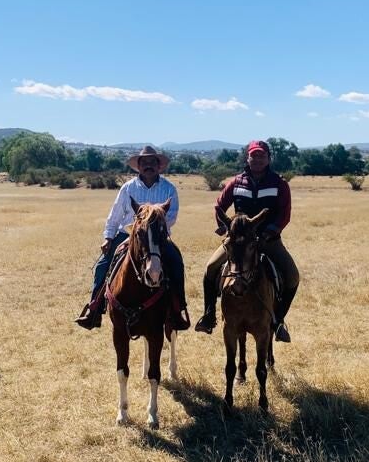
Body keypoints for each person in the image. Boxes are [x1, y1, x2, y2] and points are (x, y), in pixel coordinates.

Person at [75, 145, 190, 330]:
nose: (148, 166)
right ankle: (94, 308)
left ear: (159, 166)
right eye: (144, 163)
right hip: (126, 234)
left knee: (176, 262)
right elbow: (115, 215)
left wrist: (150, 229)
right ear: (139, 166)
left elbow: (171, 216)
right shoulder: (128, 188)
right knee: (102, 266)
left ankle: (178, 310)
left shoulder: (169, 189)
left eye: (152, 162)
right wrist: (108, 237)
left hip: (158, 236)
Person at [194, 139, 299, 342]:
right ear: (247, 158)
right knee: (210, 268)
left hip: (268, 240)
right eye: (254, 155)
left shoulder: (279, 183)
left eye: (262, 155)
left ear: (269, 159)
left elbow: (284, 214)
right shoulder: (236, 182)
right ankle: (209, 315)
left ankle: (278, 322)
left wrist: (270, 231)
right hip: (237, 242)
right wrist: (225, 227)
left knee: (292, 276)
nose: (257, 159)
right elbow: (219, 206)